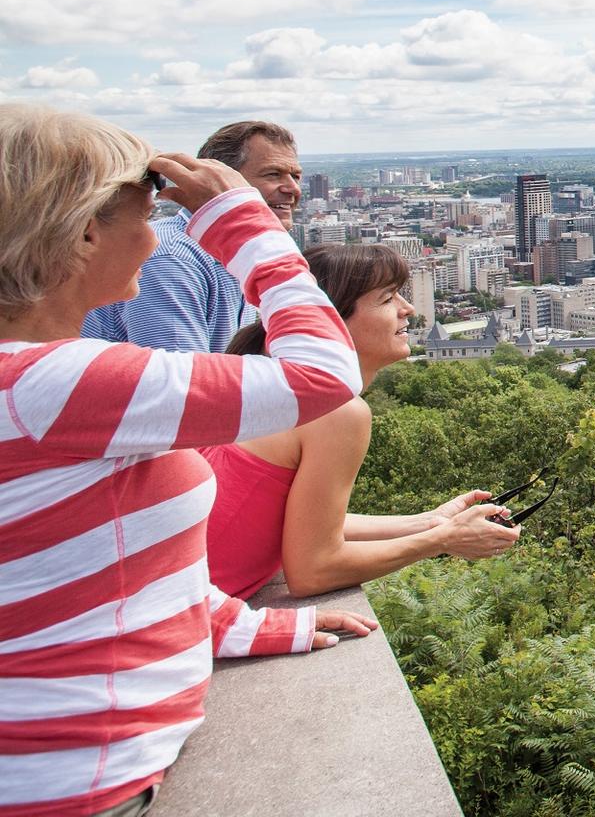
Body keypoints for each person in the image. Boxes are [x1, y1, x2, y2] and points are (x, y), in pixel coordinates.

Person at [0, 105, 373, 817]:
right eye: (145, 215)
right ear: (81, 234)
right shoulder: (51, 385)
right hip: (74, 790)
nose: (159, 236)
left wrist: (243, 626)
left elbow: (105, 569)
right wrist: (241, 221)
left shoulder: (30, 388)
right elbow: (325, 377)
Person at [203, 244, 519, 599]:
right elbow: (313, 569)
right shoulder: (335, 411)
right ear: (334, 320)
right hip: (179, 622)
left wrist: (430, 521)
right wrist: (442, 540)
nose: (407, 309)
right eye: (387, 299)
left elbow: (302, 526)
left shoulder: (273, 383)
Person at [82, 120, 305, 355]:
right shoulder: (173, 260)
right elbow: (180, 386)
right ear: (221, 180)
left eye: (296, 176)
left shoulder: (236, 256)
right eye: (273, 174)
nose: (292, 188)